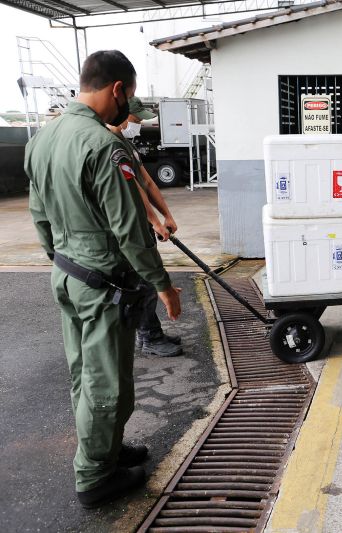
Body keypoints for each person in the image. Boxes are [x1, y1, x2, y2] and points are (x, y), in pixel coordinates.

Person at [25, 50, 183, 508]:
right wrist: (163, 284)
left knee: (84, 374)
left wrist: (63, 259)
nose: (127, 111)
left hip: (69, 276)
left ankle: (106, 450)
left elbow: (40, 217)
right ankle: (95, 475)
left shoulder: (43, 137)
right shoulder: (103, 145)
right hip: (102, 287)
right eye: (128, 99)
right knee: (107, 382)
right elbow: (130, 231)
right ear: (117, 89)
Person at [107, 97, 183, 357]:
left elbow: (148, 183)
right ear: (122, 114)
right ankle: (149, 337)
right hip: (127, 228)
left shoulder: (127, 145)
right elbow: (135, 191)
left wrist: (167, 215)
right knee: (143, 282)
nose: (138, 124)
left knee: (146, 281)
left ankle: (150, 333)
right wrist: (155, 221)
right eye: (136, 119)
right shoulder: (111, 148)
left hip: (141, 225)